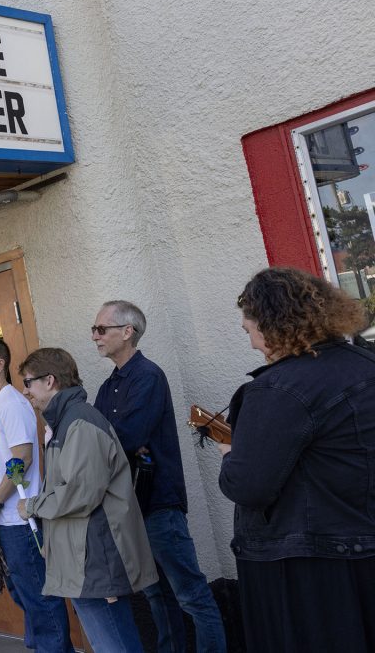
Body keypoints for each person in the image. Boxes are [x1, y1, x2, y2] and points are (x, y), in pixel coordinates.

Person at [218, 267, 375, 652]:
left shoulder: (277, 389)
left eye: (249, 329)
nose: (253, 343)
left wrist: (230, 454)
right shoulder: (366, 365)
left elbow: (248, 486)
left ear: (273, 324)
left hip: (310, 572)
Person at [92, 300, 226, 652]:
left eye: (102, 328)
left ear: (127, 331)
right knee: (156, 597)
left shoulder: (148, 375)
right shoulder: (108, 388)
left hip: (158, 507)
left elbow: (125, 436)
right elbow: (95, 440)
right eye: (94, 329)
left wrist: (108, 443)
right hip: (128, 508)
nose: (95, 336)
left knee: (192, 596)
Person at [19, 347, 157, 652]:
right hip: (85, 559)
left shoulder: (79, 423)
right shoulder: (66, 422)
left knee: (114, 644)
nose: (25, 391)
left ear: (50, 380)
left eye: (28, 382)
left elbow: (80, 492)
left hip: (95, 558)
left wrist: (32, 506)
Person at [0, 337, 74, 652]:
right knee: (20, 592)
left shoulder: (12, 404)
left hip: (19, 519)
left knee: (39, 598)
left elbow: (22, 459)